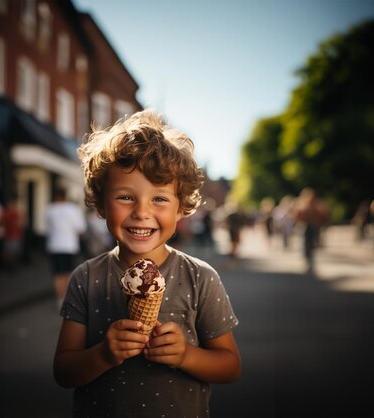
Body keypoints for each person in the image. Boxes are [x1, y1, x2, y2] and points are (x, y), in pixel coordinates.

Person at [53, 110, 240, 418]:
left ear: (181, 208)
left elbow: (230, 366)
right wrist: (102, 354)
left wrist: (185, 355)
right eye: (125, 198)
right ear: (101, 204)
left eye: (160, 199)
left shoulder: (200, 278)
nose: (142, 212)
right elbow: (63, 371)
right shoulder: (86, 278)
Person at [46, 188, 86, 306]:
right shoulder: (73, 209)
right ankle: (67, 299)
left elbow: (47, 228)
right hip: (69, 246)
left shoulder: (49, 209)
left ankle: (59, 300)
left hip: (54, 245)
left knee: (57, 274)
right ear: (65, 196)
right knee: (68, 273)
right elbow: (81, 229)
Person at [295, 187, 329, 273]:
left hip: (314, 226)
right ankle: (309, 261)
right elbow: (297, 215)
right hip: (306, 226)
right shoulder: (302, 204)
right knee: (307, 244)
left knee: (312, 244)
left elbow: (323, 215)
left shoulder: (317, 205)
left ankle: (310, 261)